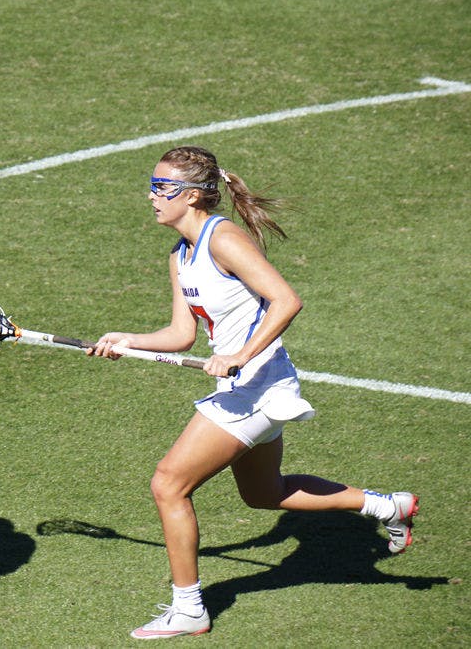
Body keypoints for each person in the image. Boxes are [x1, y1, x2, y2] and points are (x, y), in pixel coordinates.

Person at [87, 147, 418, 640]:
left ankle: (189, 609)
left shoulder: (224, 239)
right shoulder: (180, 255)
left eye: (164, 188)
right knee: (265, 493)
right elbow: (181, 335)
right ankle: (386, 506)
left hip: (258, 386)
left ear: (195, 195)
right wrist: (127, 339)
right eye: (152, 186)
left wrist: (240, 355)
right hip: (245, 384)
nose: (153, 197)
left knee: (168, 484)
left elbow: (287, 300)